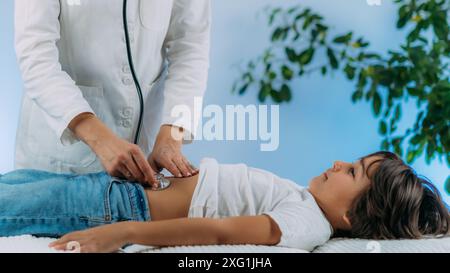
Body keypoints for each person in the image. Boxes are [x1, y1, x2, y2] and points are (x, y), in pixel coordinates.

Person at [0, 151, 448, 252]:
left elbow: (220, 233)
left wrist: (124, 232)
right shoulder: (301, 198)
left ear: (353, 215)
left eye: (352, 171)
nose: (338, 162)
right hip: (117, 188)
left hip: (116, 208)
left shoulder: (306, 223)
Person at [13, 0, 211, 185]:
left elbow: (190, 47)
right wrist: (100, 139)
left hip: (143, 151)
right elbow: (36, 56)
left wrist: (172, 133)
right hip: (60, 158)